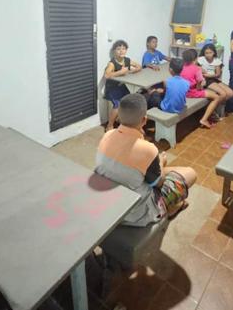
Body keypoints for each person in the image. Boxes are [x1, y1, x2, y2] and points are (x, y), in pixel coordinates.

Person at [95, 94, 197, 223]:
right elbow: (159, 183)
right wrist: (161, 162)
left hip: (109, 200)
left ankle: (170, 204)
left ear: (119, 117)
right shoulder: (148, 149)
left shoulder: (107, 135)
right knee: (190, 173)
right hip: (135, 213)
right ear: (144, 120)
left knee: (151, 171)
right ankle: (169, 209)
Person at [181, 48, 225, 129]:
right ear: (195, 59)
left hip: (184, 91)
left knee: (210, 93)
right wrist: (201, 87)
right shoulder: (196, 69)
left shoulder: (182, 67)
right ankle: (204, 119)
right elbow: (199, 86)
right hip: (192, 92)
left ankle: (210, 114)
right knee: (216, 97)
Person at [104, 40, 142, 131]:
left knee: (133, 101)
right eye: (118, 49)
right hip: (112, 88)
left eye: (124, 49)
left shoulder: (127, 60)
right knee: (118, 105)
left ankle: (127, 122)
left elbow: (139, 66)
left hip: (123, 87)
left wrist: (132, 71)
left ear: (126, 50)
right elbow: (106, 75)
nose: (121, 51)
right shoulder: (112, 63)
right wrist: (120, 72)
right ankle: (109, 125)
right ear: (114, 51)